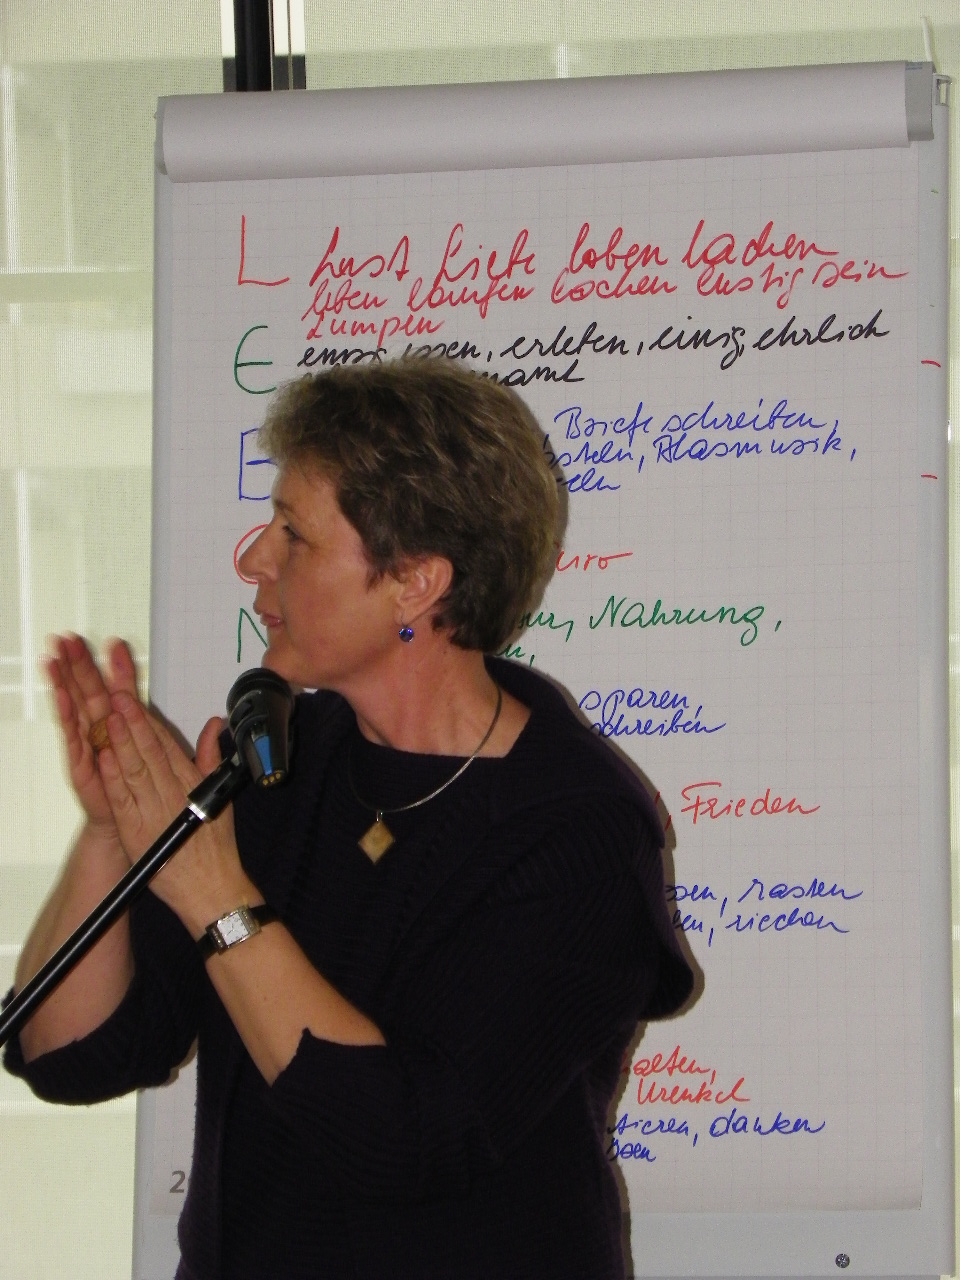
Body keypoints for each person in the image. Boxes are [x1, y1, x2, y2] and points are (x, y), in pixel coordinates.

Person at [5, 359, 693, 1280]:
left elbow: (409, 1140)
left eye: (294, 534)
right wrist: (110, 832)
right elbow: (69, 1054)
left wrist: (217, 897)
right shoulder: (281, 760)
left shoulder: (578, 830)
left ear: (415, 583)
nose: (254, 558)